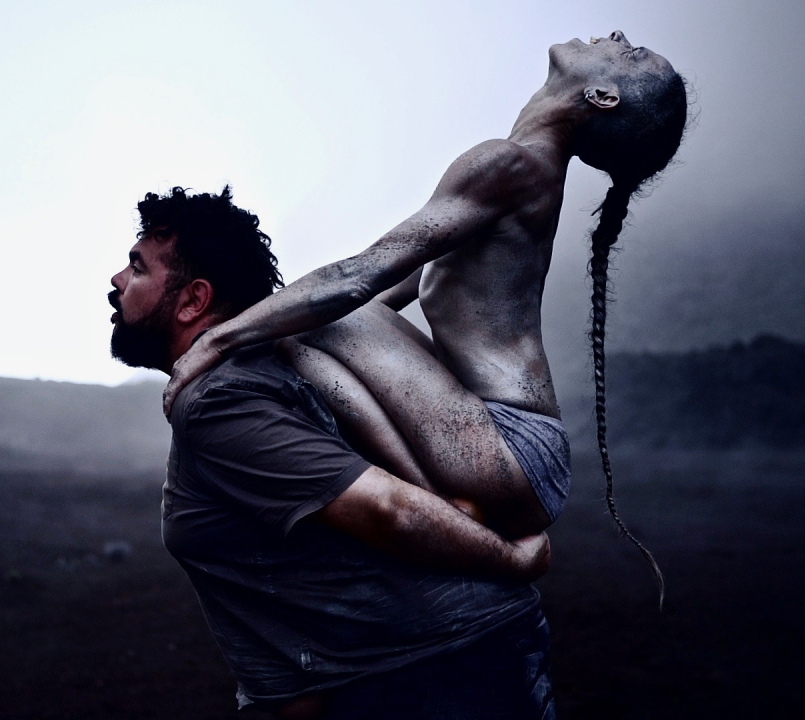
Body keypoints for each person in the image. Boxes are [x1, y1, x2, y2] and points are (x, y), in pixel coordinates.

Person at [164, 32, 689, 605]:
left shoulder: (509, 164)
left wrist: (215, 342)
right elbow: (394, 288)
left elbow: (358, 278)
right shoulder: (525, 168)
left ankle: (438, 506)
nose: (618, 37)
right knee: (305, 326)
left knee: (317, 318)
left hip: (509, 448)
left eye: (631, 54)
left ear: (603, 97)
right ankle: (435, 498)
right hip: (509, 451)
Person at [110, 185, 556, 717]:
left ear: (193, 301)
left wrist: (512, 558)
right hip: (440, 670)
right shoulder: (269, 361)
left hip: (435, 679)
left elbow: (388, 510)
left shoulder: (219, 402)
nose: (116, 281)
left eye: (137, 268)